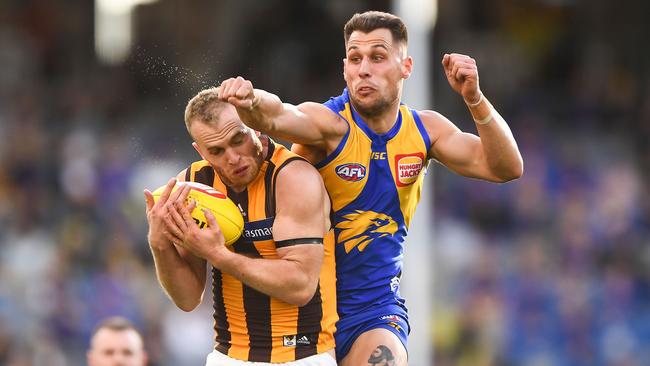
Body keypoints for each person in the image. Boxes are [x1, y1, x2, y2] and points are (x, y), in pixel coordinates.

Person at [217, 10, 523, 366]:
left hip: (373, 311)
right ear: (344, 67)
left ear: (406, 66)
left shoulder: (425, 131)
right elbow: (277, 115)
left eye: (377, 57)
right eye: (355, 58)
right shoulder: (329, 125)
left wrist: (475, 99)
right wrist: (251, 100)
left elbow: (506, 167)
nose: (363, 69)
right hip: (303, 312)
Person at [143, 87, 337, 365]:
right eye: (217, 150)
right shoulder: (195, 184)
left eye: (238, 139)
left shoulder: (292, 177)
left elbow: (301, 285)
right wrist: (160, 244)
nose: (232, 158)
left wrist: (219, 255)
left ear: (255, 126)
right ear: (201, 151)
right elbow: (187, 299)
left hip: (303, 354)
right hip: (229, 357)